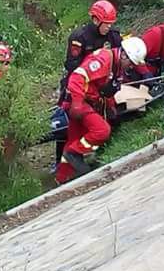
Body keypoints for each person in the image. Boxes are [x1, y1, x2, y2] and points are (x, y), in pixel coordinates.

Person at [55, 37, 147, 184]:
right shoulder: (103, 60)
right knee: (102, 130)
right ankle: (76, 153)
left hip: (87, 102)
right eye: (131, 63)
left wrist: (110, 106)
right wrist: (77, 103)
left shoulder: (116, 67)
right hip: (80, 101)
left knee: (73, 141)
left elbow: (106, 89)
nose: (131, 67)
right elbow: (77, 77)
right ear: (124, 55)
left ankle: (62, 180)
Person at [58, 0, 123, 106]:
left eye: (111, 24)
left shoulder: (113, 36)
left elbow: (120, 57)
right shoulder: (80, 37)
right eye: (106, 24)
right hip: (84, 79)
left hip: (105, 79)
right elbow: (72, 65)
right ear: (96, 21)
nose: (109, 27)